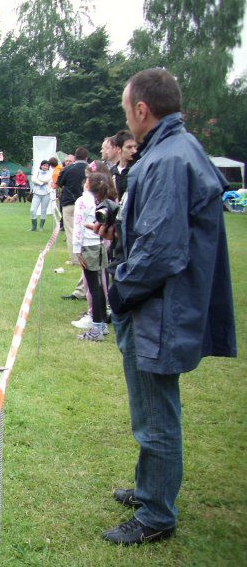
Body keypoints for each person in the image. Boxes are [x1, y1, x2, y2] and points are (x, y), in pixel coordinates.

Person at [97, 68, 236, 545]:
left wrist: (120, 291)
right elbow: (160, 227)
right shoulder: (173, 150)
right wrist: (121, 225)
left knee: (155, 413)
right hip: (158, 304)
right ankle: (148, 488)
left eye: (125, 110)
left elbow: (162, 249)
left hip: (159, 309)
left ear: (141, 110)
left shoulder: (168, 159)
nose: (126, 120)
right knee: (150, 409)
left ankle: (156, 515)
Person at [71, 172, 110, 341]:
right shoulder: (102, 201)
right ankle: (101, 325)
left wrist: (76, 249)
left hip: (88, 246)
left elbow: (78, 225)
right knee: (99, 287)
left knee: (94, 288)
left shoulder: (82, 201)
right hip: (99, 245)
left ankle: (96, 328)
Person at [57, 147, 89, 300]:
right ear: (87, 158)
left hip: (69, 203)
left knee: (71, 231)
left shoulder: (68, 169)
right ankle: (82, 257)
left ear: (75, 158)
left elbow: (59, 183)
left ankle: (75, 258)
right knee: (86, 231)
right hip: (86, 204)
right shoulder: (90, 169)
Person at [110, 129, 137, 201]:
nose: (134, 151)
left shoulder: (138, 169)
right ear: (118, 149)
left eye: (135, 147)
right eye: (129, 147)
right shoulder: (111, 173)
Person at [30, 160, 52, 231]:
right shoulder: (37, 172)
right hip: (37, 193)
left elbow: (47, 179)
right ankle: (34, 227)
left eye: (47, 166)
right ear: (41, 165)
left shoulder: (50, 173)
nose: (45, 167)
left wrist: (38, 180)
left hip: (46, 193)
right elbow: (33, 179)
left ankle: (41, 227)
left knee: (43, 210)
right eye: (44, 165)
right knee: (33, 210)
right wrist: (41, 183)